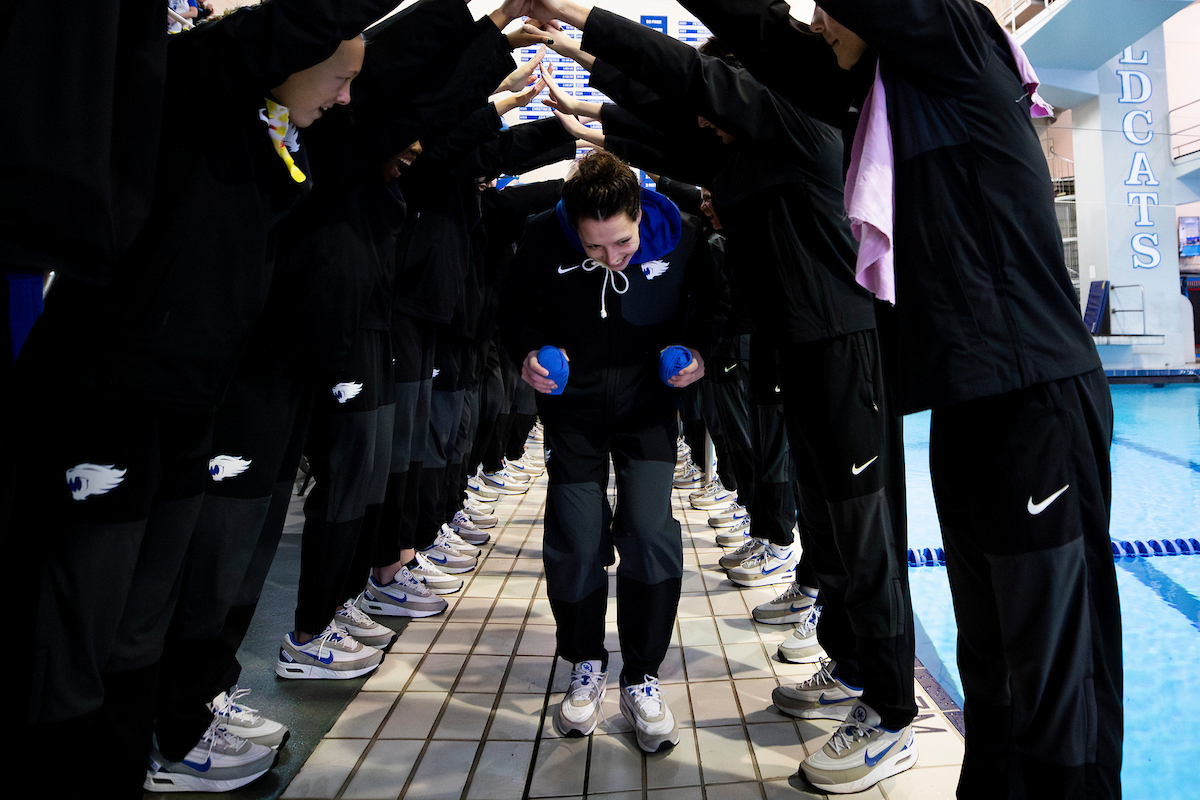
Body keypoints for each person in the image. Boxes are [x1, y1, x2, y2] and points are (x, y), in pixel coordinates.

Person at [669, 1, 1122, 798]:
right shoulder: (877, 97)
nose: (818, 24)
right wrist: (582, 21)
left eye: (830, 10)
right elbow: (755, 49)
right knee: (990, 667)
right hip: (965, 405)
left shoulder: (959, 44)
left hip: (1035, 402)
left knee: (1055, 679)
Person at [10, 1, 399, 795]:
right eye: (339, 77)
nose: (345, 96)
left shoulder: (269, 141)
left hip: (192, 401)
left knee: (141, 626)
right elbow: (291, 28)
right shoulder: (188, 83)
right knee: (76, 637)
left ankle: (129, 766)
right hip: (111, 398)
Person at [524, 4, 917, 790]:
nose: (704, 119)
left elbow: (688, 81)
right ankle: (848, 666)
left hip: (846, 351)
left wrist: (574, 16)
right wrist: (572, 74)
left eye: (715, 104)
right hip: (796, 354)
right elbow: (651, 125)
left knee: (864, 537)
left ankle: (892, 712)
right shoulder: (736, 158)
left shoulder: (805, 132)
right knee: (828, 530)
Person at [503, 151, 713, 753]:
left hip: (649, 407)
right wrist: (528, 353)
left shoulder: (684, 236)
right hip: (573, 411)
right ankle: (585, 661)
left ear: (639, 212)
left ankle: (642, 674)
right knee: (576, 536)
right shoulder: (542, 236)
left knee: (648, 532)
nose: (612, 258)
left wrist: (698, 352)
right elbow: (513, 311)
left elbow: (712, 307)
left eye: (622, 243)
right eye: (593, 248)